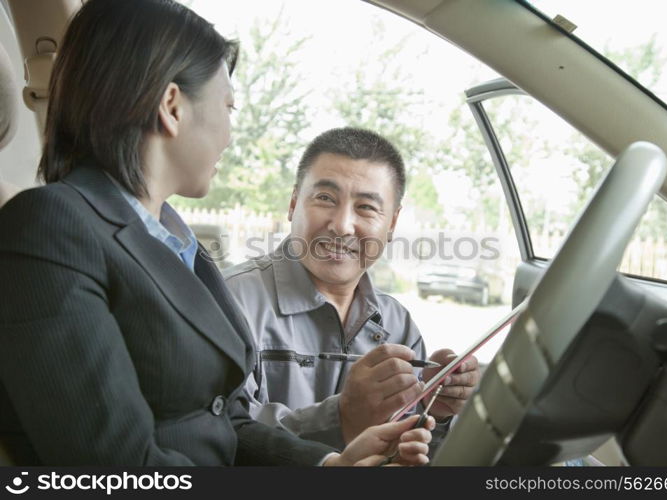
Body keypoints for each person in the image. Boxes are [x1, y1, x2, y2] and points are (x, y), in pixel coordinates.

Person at [0, 0, 433, 466]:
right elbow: (115, 466)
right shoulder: (49, 228)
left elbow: (225, 421)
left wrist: (330, 466)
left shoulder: (178, 245)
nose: (230, 132)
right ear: (171, 106)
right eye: (228, 106)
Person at [224, 128, 480, 450]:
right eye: (326, 199)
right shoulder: (229, 301)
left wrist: (434, 413)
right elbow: (223, 436)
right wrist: (341, 417)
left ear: (392, 225)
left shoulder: (397, 325)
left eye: (366, 208)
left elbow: (410, 452)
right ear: (293, 204)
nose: (342, 225)